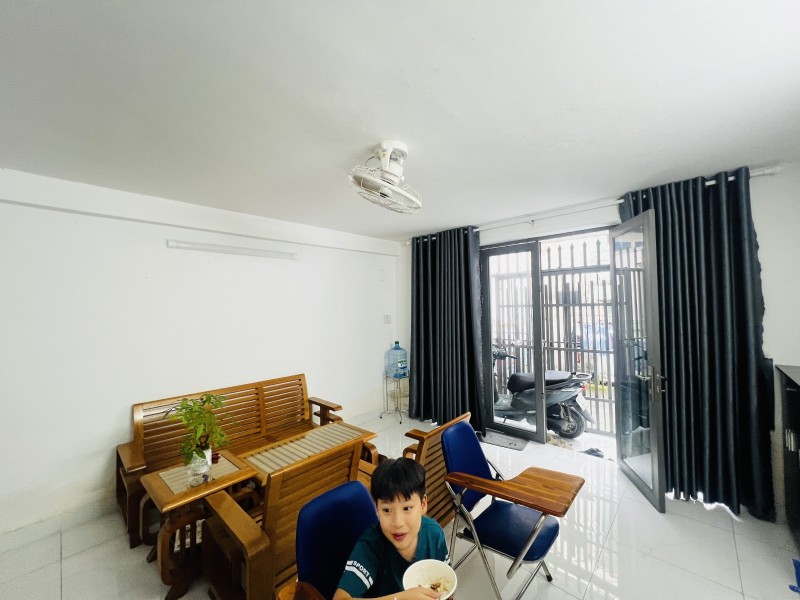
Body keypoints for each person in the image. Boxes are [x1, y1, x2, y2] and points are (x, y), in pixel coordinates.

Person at [333, 458, 448, 600]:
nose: (398, 523)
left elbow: (446, 584)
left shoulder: (434, 534)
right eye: (387, 510)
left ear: (423, 504)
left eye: (407, 508)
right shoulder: (370, 546)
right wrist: (400, 599)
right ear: (377, 509)